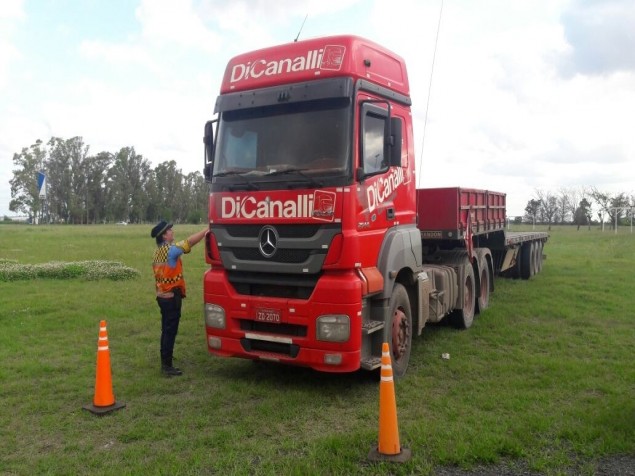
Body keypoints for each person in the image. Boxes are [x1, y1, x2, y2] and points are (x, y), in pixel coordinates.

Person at [150, 220, 207, 377]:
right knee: (170, 330)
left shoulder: (157, 252)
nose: (172, 232)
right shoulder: (171, 251)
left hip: (161, 296)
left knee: (166, 329)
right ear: (164, 235)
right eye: (170, 231)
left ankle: (166, 357)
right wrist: (206, 230)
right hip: (170, 297)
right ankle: (167, 366)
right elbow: (190, 242)